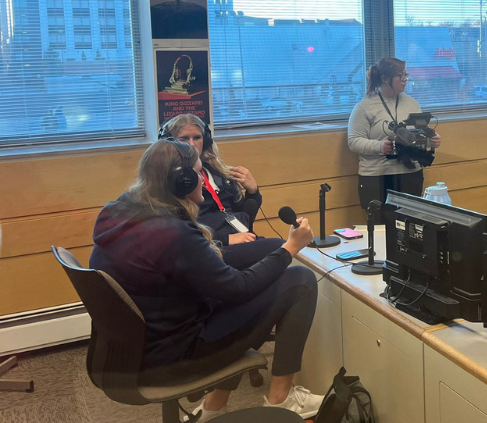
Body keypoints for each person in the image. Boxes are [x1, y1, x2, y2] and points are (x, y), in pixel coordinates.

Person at [90, 140, 324, 422]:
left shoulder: (115, 212)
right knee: (300, 280)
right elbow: (240, 288)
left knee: (248, 284)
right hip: (171, 358)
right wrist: (291, 248)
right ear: (182, 181)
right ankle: (282, 400)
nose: (204, 180)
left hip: (129, 353)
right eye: (199, 173)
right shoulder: (173, 234)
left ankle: (213, 408)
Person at [348, 57, 441, 221]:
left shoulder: (412, 103)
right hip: (377, 177)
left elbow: (418, 135)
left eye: (406, 75)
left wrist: (431, 141)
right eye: (400, 75)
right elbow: (354, 141)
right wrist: (380, 146)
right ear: (385, 78)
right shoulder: (364, 106)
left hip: (410, 175)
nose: (405, 79)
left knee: (411, 227)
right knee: (380, 229)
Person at [160, 114, 264, 246]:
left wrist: (253, 192)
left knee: (284, 255)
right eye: (184, 138)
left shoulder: (218, 173)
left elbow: (245, 218)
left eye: (197, 137)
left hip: (241, 239)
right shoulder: (171, 181)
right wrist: (224, 239)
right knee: (279, 247)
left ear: (206, 140)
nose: (191, 144)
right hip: (209, 247)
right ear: (169, 143)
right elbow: (180, 232)